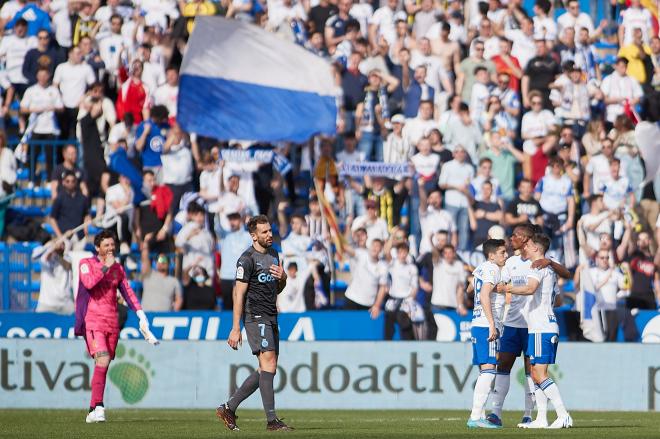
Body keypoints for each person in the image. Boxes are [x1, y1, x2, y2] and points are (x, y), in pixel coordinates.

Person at [487, 223, 571, 428]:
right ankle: (497, 413)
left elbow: (563, 277)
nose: (511, 238)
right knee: (506, 365)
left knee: (533, 372)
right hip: (515, 323)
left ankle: (531, 414)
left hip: (537, 325)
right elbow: (499, 284)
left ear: (527, 240)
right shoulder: (511, 262)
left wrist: (548, 262)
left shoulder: (542, 263)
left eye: (515, 235)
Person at [216, 215, 293, 432]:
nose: (270, 234)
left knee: (266, 368)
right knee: (268, 365)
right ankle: (272, 421)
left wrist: (283, 278)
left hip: (271, 315)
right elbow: (238, 294)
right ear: (253, 235)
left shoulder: (274, 254)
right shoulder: (246, 259)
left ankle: (228, 407)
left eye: (270, 230)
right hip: (255, 316)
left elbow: (276, 288)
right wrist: (235, 327)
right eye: (265, 232)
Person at [75, 230, 158, 423]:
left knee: (103, 364)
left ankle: (91, 409)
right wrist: (105, 267)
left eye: (113, 245)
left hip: (112, 323)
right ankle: (99, 407)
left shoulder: (118, 269)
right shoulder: (86, 264)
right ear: (97, 248)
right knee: (102, 360)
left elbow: (128, 293)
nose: (111, 248)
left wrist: (140, 314)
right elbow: (88, 283)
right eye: (106, 245)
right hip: (93, 321)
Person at [466, 238, 507, 429]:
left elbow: (470, 289)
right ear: (491, 255)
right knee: (490, 370)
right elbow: (483, 295)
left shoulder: (480, 268)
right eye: (502, 252)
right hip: (486, 324)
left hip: (477, 322)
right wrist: (492, 324)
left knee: (485, 370)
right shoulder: (492, 269)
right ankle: (475, 416)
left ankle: (479, 414)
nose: (505, 255)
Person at [374, 242, 419, 340]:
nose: (402, 255)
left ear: (407, 253)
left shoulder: (412, 268)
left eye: (404, 252)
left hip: (406, 301)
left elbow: (415, 287)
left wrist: (410, 303)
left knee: (406, 328)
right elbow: (386, 252)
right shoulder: (392, 264)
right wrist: (392, 237)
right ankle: (387, 346)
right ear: (397, 253)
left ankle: (408, 349)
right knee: (388, 326)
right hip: (392, 299)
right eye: (400, 252)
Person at [218, 211, 252, 311]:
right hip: (225, 276)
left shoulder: (248, 236)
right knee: (227, 307)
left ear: (241, 220)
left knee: (241, 306)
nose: (232, 222)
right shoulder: (224, 236)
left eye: (235, 219)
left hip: (241, 277)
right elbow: (217, 225)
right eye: (230, 219)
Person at [343, 238, 389, 311]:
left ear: (381, 249)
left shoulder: (383, 266)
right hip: (351, 298)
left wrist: (377, 305)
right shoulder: (362, 254)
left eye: (377, 246)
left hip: (368, 303)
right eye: (373, 245)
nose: (374, 247)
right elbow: (346, 248)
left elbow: (382, 287)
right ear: (370, 247)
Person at [140, 243, 182, 312]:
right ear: (156, 263)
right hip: (146, 316)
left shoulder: (174, 281)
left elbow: (179, 299)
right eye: (159, 260)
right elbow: (144, 258)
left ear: (168, 264)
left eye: (164, 260)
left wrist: (173, 313)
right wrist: (146, 244)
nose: (161, 262)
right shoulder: (149, 274)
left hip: (164, 318)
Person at [34, 240, 74, 314]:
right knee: (36, 323)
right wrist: (52, 248)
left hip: (65, 303)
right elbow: (42, 258)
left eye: (62, 244)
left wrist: (59, 253)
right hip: (46, 303)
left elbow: (68, 266)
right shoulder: (44, 256)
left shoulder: (67, 257)